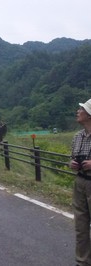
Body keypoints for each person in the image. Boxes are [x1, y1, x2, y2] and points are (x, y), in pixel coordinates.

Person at [70, 98, 91, 266]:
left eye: (82, 109)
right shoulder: (77, 137)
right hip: (80, 182)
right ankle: (82, 261)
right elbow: (72, 159)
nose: (78, 111)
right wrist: (72, 164)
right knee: (81, 225)